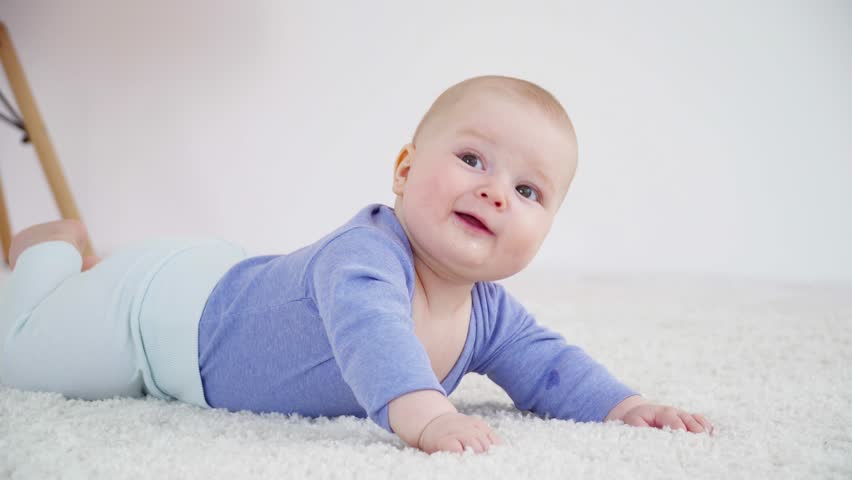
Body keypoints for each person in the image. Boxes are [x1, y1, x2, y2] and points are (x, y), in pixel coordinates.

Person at [0, 75, 714, 455]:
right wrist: (426, 415)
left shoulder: (486, 309)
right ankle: (50, 250)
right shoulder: (367, 256)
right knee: (17, 355)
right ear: (404, 169)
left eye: (528, 191)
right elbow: (374, 337)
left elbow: (548, 365)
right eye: (472, 159)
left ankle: (75, 270)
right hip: (157, 318)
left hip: (227, 276)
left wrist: (625, 406)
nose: (496, 190)